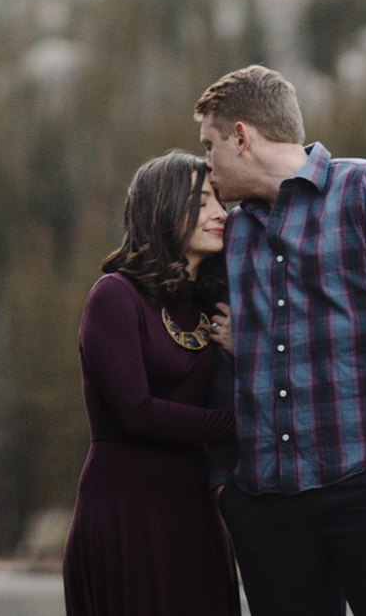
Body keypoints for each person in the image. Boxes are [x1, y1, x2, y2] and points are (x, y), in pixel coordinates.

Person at [198, 65, 366, 616]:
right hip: (267, 506)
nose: (207, 164)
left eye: (211, 145)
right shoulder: (233, 234)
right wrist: (225, 484)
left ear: (241, 137)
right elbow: (220, 364)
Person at [63, 150, 242, 616]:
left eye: (220, 202)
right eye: (203, 202)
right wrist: (243, 424)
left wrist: (244, 352)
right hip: (126, 508)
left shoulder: (213, 307)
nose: (221, 214)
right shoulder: (114, 296)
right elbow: (137, 413)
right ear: (163, 208)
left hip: (196, 508)